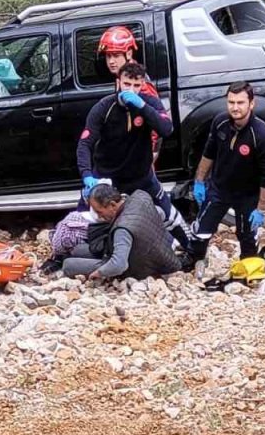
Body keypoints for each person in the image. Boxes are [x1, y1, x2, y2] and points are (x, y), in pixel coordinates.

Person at [76, 62, 191, 249]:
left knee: (169, 214)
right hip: (106, 177)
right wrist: (87, 175)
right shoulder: (104, 107)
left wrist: (142, 106)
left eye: (136, 85)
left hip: (140, 175)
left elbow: (166, 129)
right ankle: (61, 257)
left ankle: (192, 251)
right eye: (127, 84)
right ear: (118, 82)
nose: (131, 89)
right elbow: (85, 143)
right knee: (81, 217)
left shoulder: (149, 103)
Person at [191, 81, 265, 263]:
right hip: (219, 188)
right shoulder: (219, 122)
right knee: (201, 231)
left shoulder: (262, 135)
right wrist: (199, 181)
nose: (235, 108)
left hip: (247, 195)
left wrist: (261, 209)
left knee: (247, 238)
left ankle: (248, 269)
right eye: (231, 102)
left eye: (240, 103)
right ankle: (193, 265)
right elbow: (208, 153)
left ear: (251, 104)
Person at [61, 186, 182, 280]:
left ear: (112, 205)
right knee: (77, 250)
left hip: (136, 264)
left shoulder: (122, 229)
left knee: (68, 265)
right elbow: (160, 212)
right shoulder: (140, 197)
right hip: (158, 249)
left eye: (100, 212)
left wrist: (98, 273)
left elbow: (119, 265)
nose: (99, 217)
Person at [98, 26, 162, 162]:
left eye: (116, 55)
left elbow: (155, 120)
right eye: (108, 56)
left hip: (141, 153)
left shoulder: (138, 82)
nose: (111, 61)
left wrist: (150, 153)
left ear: (128, 54)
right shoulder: (120, 77)